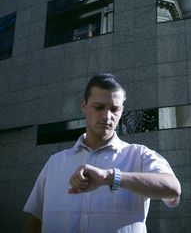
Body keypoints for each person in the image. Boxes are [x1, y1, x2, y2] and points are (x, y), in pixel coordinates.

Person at [23, 73, 181, 233]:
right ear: (84, 105)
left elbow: (173, 188)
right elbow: (34, 223)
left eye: (114, 109)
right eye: (99, 107)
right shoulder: (55, 163)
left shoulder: (139, 155)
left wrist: (111, 177)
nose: (107, 116)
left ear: (122, 111)